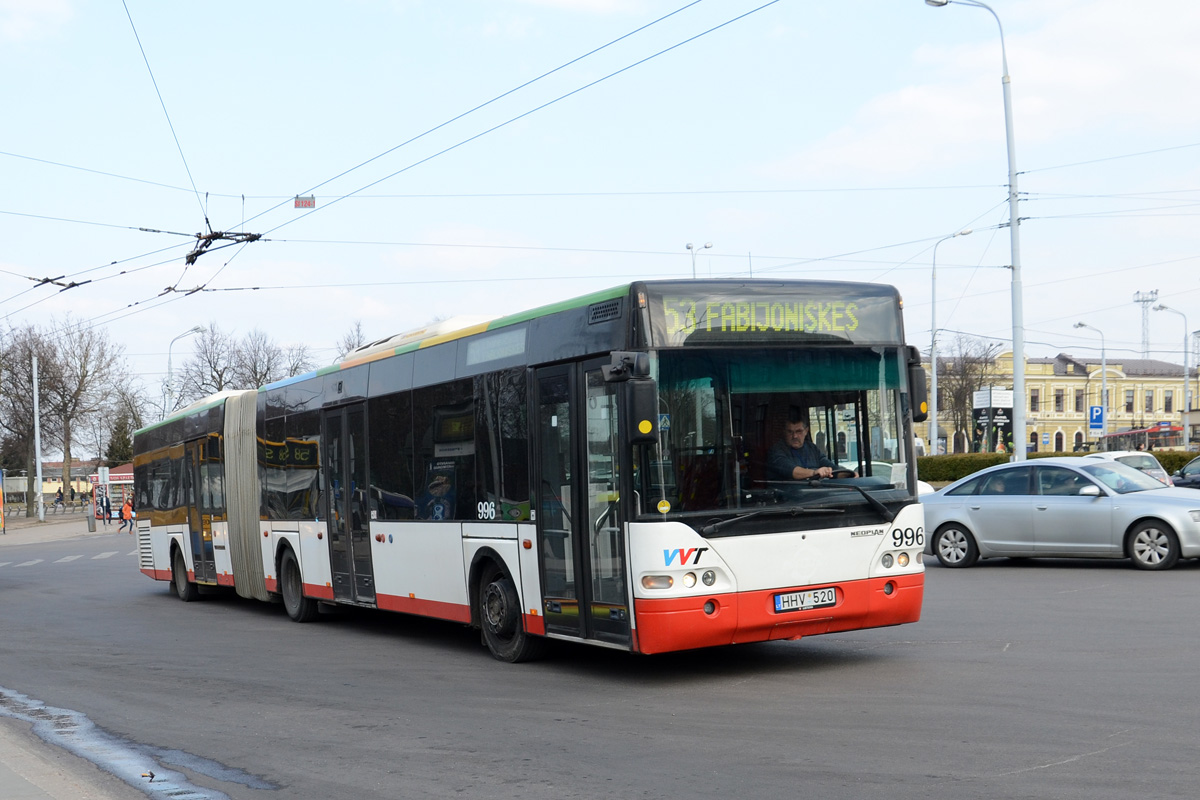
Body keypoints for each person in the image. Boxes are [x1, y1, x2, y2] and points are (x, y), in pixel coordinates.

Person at [767, 418, 840, 481]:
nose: (794, 436)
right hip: (787, 493)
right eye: (790, 432)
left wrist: (845, 474)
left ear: (806, 431)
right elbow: (790, 470)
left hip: (814, 492)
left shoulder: (812, 448)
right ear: (784, 432)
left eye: (799, 431)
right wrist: (814, 473)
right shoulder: (776, 451)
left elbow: (830, 466)